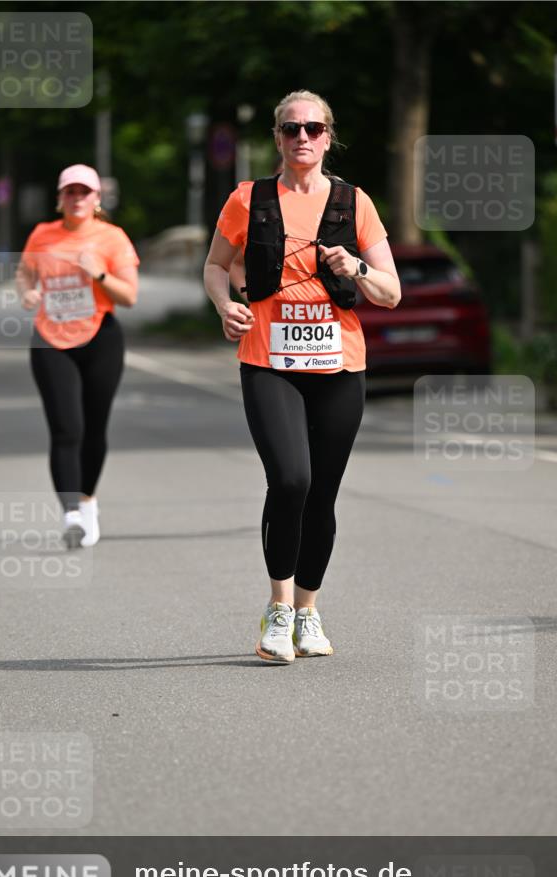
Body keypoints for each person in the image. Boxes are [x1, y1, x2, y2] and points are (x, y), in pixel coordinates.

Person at [204, 90, 401, 664]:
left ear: (328, 136)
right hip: (269, 360)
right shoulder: (248, 199)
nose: (303, 139)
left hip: (340, 366)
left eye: (313, 129)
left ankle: (310, 611)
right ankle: (279, 607)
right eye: (292, 130)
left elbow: (390, 294)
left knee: (323, 493)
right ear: (278, 138)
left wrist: (357, 266)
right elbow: (216, 266)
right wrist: (224, 306)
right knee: (290, 479)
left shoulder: (354, 202)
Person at [16, 164, 139, 548]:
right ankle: (70, 512)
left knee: (93, 427)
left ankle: (87, 500)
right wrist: (27, 293)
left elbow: (129, 297)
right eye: (70, 192)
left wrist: (98, 274)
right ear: (60, 198)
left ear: (97, 199)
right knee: (66, 426)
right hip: (50, 338)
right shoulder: (42, 234)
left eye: (85, 192)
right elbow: (24, 273)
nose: (77, 198)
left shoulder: (112, 237)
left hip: (101, 339)